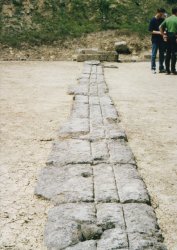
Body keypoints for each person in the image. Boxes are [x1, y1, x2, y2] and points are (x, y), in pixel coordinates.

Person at [160, 7, 177, 75]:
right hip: (174, 36)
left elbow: (160, 27)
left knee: (168, 53)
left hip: (168, 36)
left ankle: (167, 70)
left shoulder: (167, 19)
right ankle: (173, 70)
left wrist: (163, 35)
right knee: (174, 54)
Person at [149, 8, 166, 74]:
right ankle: (153, 68)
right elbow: (151, 31)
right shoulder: (153, 20)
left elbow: (164, 28)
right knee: (154, 54)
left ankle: (161, 67)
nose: (162, 15)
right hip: (155, 40)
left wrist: (164, 33)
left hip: (161, 40)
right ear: (158, 12)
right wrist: (160, 33)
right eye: (161, 13)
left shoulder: (162, 20)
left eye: (163, 13)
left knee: (162, 54)